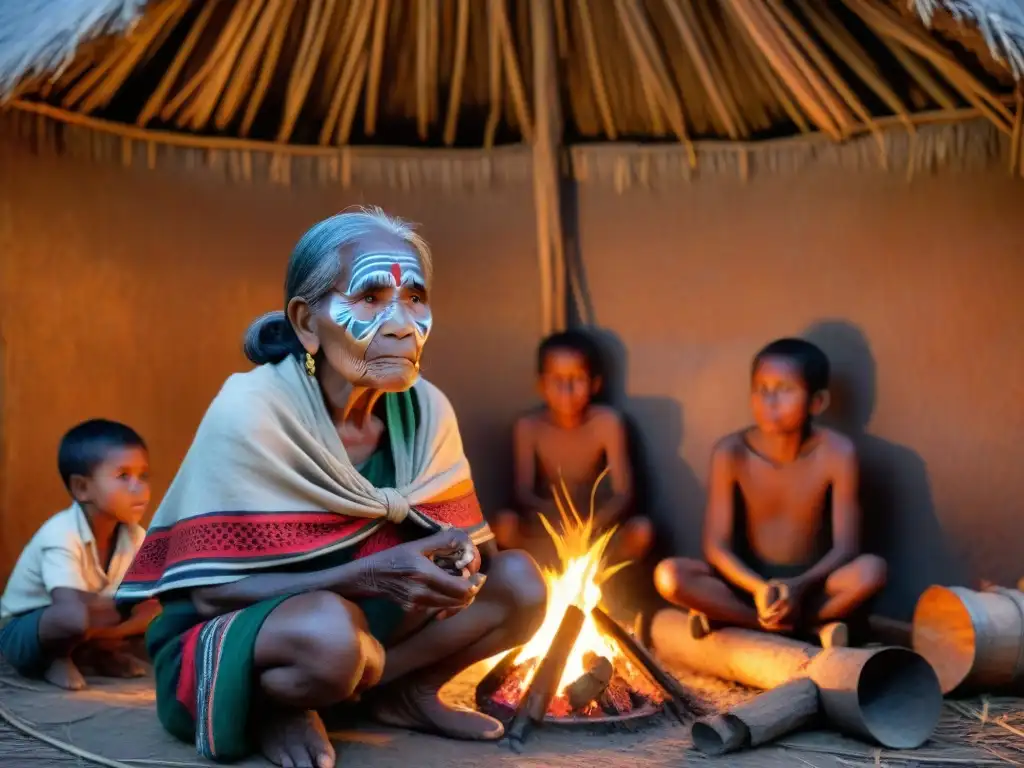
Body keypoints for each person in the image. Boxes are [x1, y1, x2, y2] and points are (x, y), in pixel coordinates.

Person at [116, 208, 547, 768]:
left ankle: (400, 693)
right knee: (329, 635)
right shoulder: (251, 411)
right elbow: (209, 595)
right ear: (305, 321)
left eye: (415, 297)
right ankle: (273, 708)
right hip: (246, 648)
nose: (401, 323)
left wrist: (456, 560)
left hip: (373, 639)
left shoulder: (427, 410)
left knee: (521, 584)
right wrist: (367, 574)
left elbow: (479, 556)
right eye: (370, 298)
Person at [653, 338, 886, 648]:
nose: (770, 400)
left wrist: (798, 586)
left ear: (817, 402)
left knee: (873, 570)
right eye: (761, 389)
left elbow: (846, 547)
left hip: (811, 584)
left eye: (785, 390)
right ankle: (797, 628)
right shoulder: (731, 452)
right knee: (669, 576)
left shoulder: (837, 452)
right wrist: (758, 587)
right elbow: (716, 546)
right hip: (745, 585)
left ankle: (746, 620)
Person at [0, 419, 159, 690]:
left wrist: (121, 613)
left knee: (158, 609)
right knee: (72, 618)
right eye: (123, 477)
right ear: (82, 488)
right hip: (27, 630)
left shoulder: (135, 535)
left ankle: (95, 652)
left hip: (90, 617)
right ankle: (56, 657)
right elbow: (70, 607)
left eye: (143, 475)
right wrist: (114, 611)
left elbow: (146, 599)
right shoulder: (61, 533)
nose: (139, 487)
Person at [492, 330, 653, 563]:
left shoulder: (607, 423)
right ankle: (543, 584)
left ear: (595, 384)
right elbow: (523, 493)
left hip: (597, 531)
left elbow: (623, 493)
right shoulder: (528, 427)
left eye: (577, 379)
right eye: (556, 380)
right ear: (541, 385)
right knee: (505, 525)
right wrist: (555, 519)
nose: (566, 390)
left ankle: (599, 585)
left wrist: (593, 524)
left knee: (641, 530)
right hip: (548, 531)